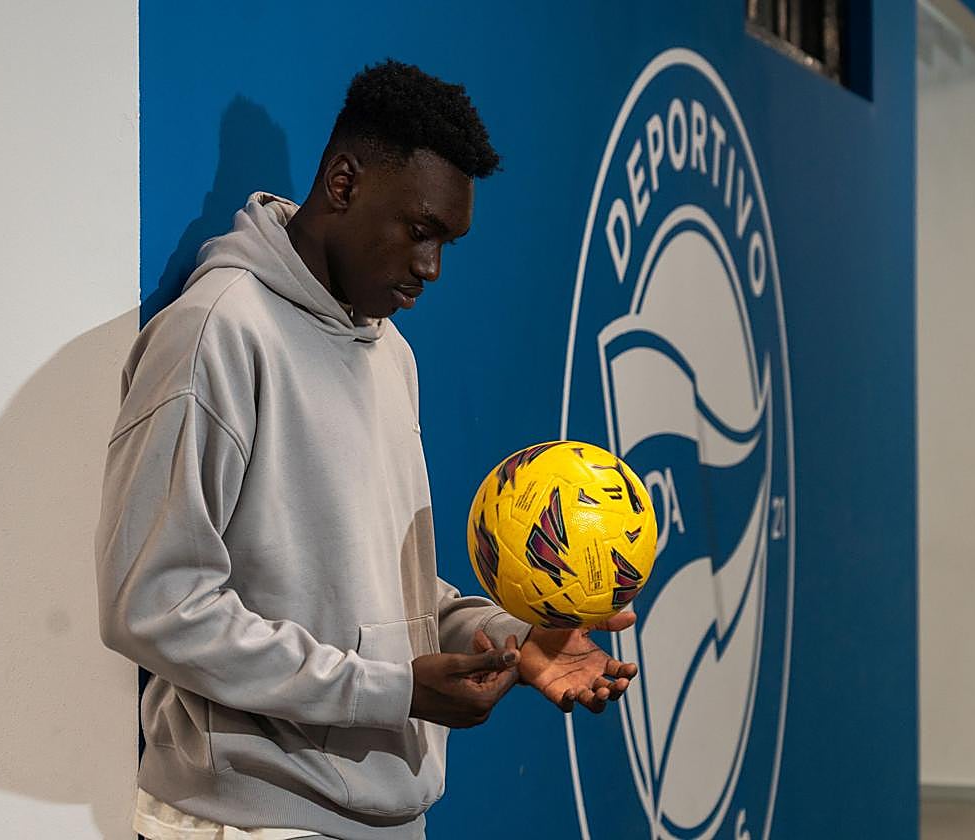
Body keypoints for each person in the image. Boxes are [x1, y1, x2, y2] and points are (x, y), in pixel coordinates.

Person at [95, 59, 638, 840]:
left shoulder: (392, 355)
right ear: (343, 185)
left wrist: (520, 643)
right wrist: (386, 692)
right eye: (420, 231)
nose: (431, 269)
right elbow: (152, 604)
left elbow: (387, 594)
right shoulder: (216, 332)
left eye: (448, 242)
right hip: (242, 822)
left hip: (390, 816)